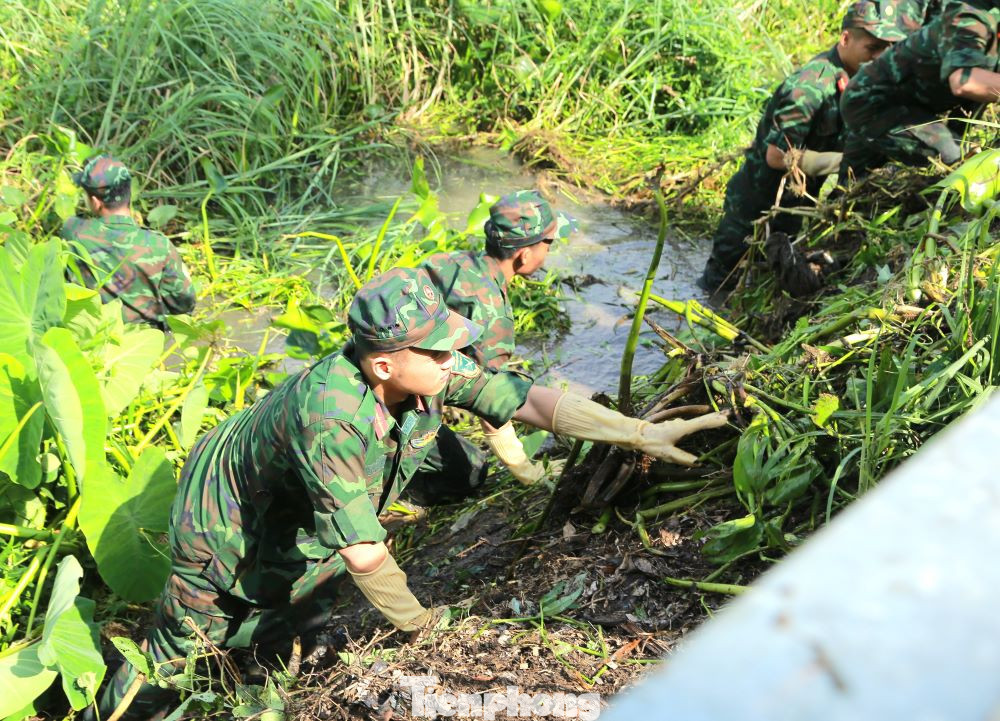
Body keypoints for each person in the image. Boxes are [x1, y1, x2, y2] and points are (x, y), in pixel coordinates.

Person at [91, 266, 729, 720]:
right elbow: (363, 550)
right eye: (443, 350)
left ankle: (252, 683)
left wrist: (641, 432)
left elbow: (527, 398)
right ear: (385, 364)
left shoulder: (426, 368)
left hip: (299, 514)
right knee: (182, 649)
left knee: (294, 625)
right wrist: (426, 629)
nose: (458, 360)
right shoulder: (331, 416)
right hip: (224, 519)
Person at [698, 1, 904, 292]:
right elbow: (775, 156)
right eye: (872, 48)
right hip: (756, 205)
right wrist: (840, 162)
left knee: (768, 282)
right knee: (720, 284)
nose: (880, 56)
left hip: (796, 207)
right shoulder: (810, 88)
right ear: (845, 39)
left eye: (888, 48)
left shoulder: (862, 80)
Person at [407, 189, 577, 502]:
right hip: (386, 411)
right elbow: (491, 401)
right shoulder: (491, 315)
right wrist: (526, 470)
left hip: (379, 372)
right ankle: (395, 493)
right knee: (470, 471)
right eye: (547, 245)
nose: (548, 254)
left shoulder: (453, 262)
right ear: (524, 255)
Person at [839, 1, 1000, 180]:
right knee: (956, 161)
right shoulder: (972, 16)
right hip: (871, 102)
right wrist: (959, 151)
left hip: (913, 105)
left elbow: (980, 93)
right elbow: (964, 81)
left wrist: (962, 141)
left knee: (852, 185)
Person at [61, 154, 196, 329]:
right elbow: (184, 303)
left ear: (94, 201)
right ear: (128, 192)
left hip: (93, 337)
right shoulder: (159, 245)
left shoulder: (73, 231)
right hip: (145, 342)